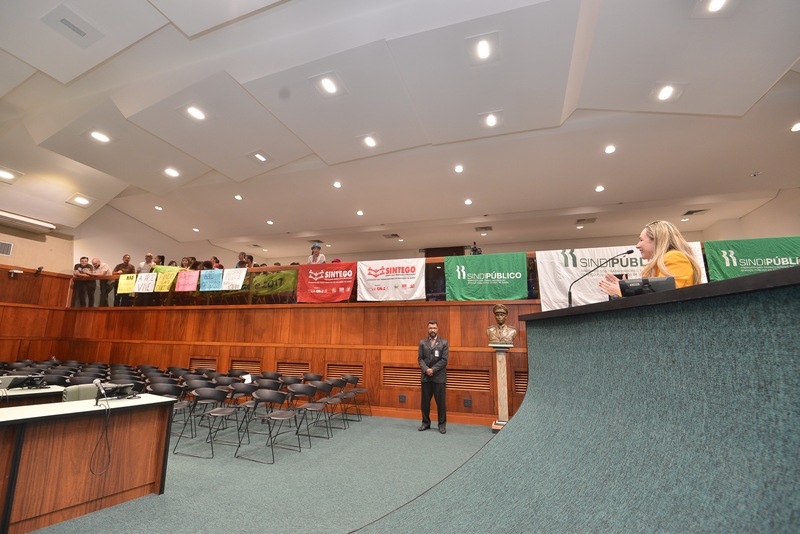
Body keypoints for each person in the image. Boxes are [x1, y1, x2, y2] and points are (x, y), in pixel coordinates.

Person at [599, 220, 703, 298]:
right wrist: (627, 289)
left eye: (641, 240)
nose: (637, 245)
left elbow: (665, 297)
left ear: (657, 240)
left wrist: (621, 292)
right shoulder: (657, 263)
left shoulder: (674, 257)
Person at [418, 320, 449, 434]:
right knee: (425, 403)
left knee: (441, 403)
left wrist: (433, 370)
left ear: (437, 329)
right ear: (427, 329)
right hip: (426, 377)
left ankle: (442, 425)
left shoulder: (444, 342)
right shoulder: (422, 343)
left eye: (434, 328)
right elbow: (420, 359)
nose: (432, 330)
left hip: (439, 378)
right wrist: (426, 369)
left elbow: (444, 360)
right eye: (430, 328)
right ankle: (425, 423)